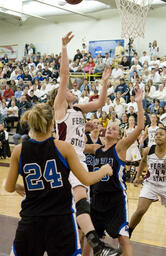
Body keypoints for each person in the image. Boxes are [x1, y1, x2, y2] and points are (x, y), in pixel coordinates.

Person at [5, 103, 113, 256]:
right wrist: (104, 170)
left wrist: (18, 187)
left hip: (31, 220)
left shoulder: (18, 150)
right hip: (60, 221)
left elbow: (9, 188)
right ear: (51, 123)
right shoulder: (64, 147)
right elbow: (87, 179)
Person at [52, 32, 118, 256]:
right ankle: (96, 246)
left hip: (79, 158)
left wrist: (105, 82)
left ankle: (88, 246)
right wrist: (63, 48)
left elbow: (100, 102)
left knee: (78, 204)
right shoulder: (59, 108)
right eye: (68, 90)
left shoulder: (78, 110)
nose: (71, 90)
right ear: (61, 95)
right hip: (66, 158)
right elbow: (64, 76)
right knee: (80, 199)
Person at [85, 88, 144, 256]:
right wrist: (84, 129)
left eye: (114, 129)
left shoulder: (120, 147)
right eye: (109, 128)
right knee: (90, 237)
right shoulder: (96, 149)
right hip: (97, 198)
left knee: (123, 237)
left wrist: (138, 102)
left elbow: (140, 127)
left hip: (115, 198)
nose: (110, 129)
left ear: (119, 135)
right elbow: (74, 145)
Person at [129, 128, 166, 238]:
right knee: (140, 210)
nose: (157, 136)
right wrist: (138, 177)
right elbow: (143, 162)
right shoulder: (148, 150)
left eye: (161, 134)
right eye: (156, 134)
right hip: (150, 184)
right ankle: (128, 232)